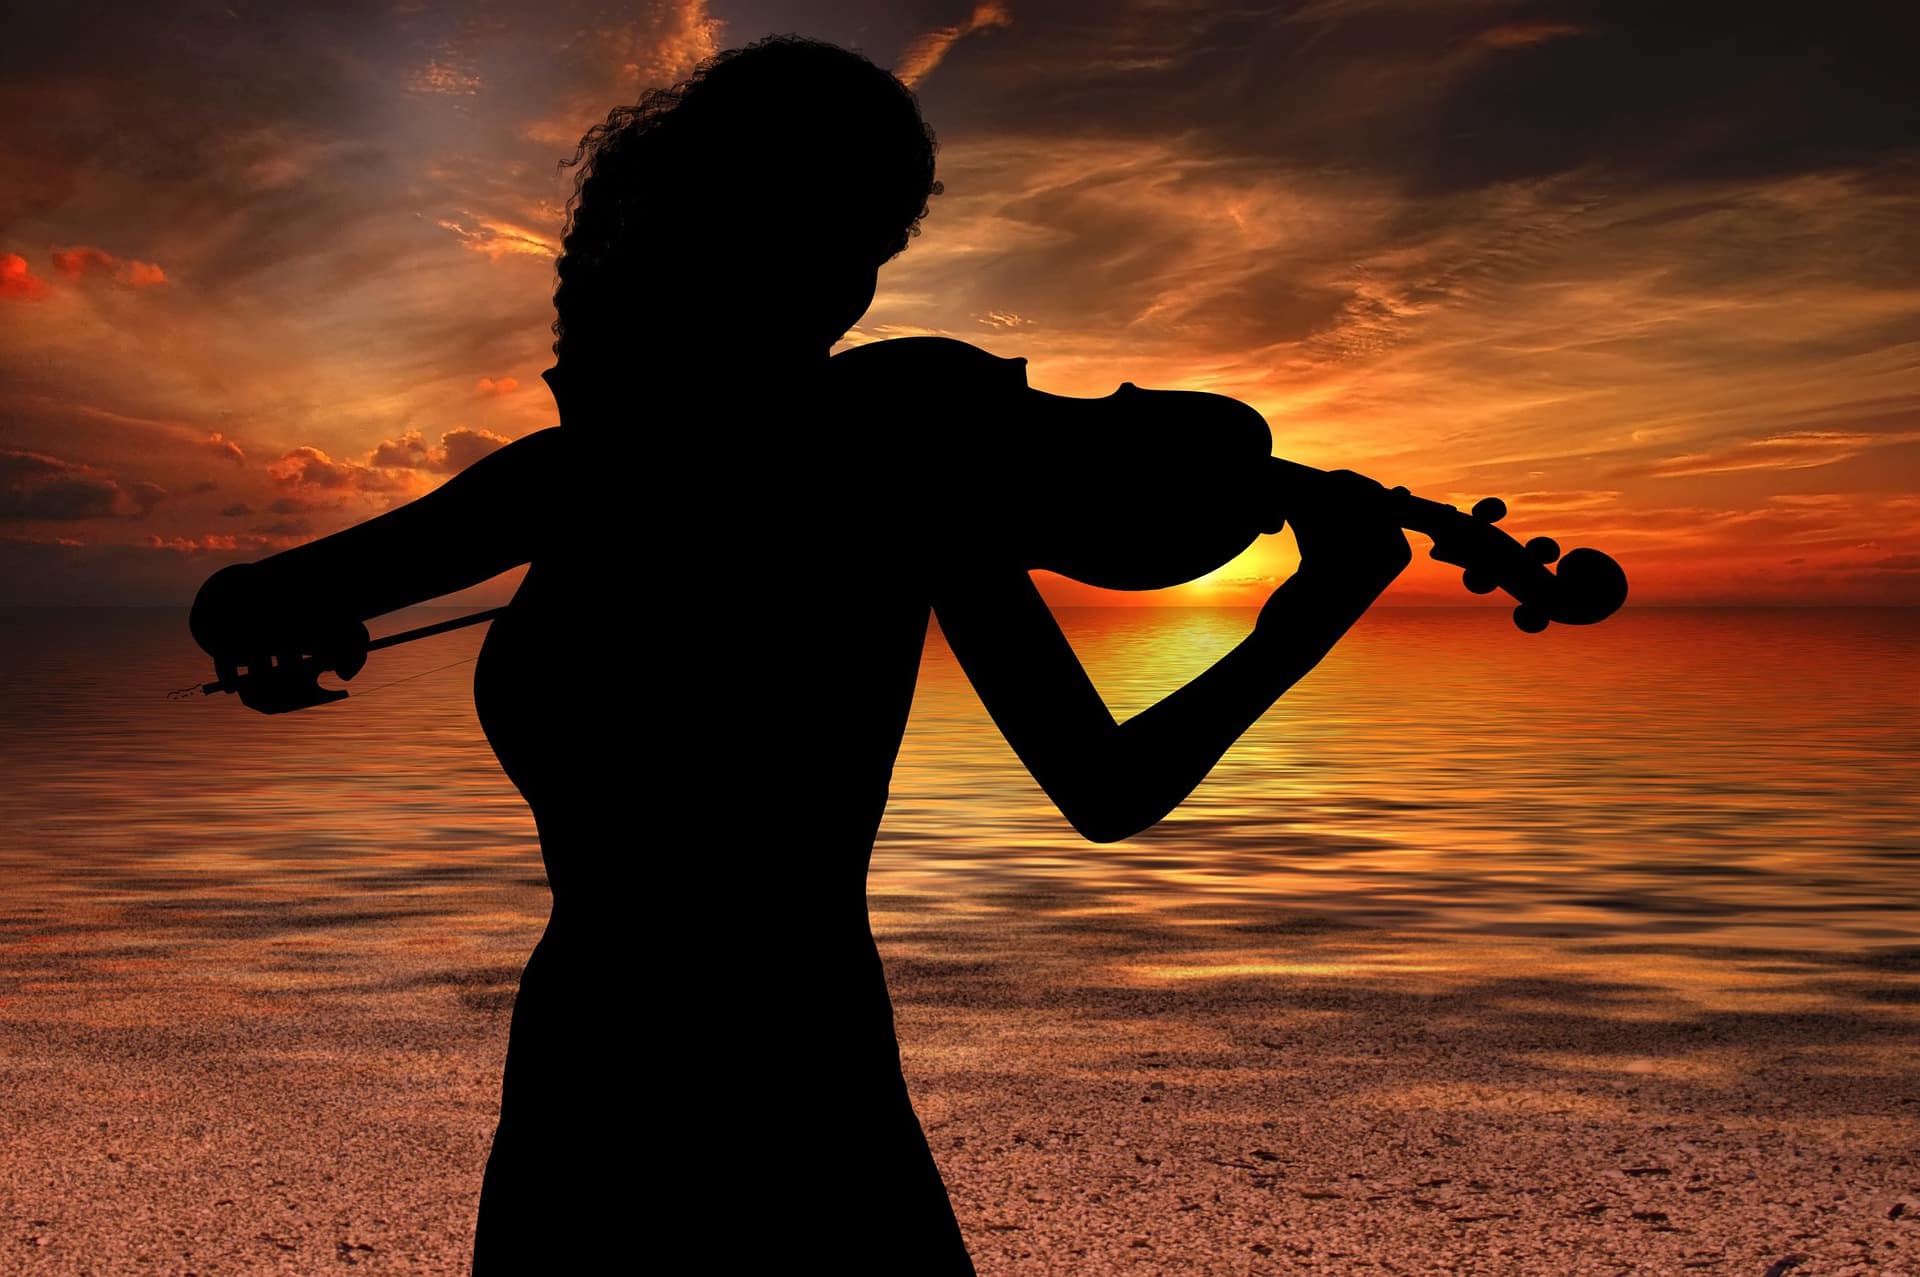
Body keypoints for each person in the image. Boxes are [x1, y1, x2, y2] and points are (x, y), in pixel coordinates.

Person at [188, 34, 1411, 1274]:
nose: (857, 286)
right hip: (770, 1099)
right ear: (740, 237)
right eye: (846, 238)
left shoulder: (595, 475)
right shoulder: (886, 453)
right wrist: (1308, 615)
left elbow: (237, 605)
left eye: (873, 245)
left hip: (608, 1091)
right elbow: (1107, 786)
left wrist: (285, 634)